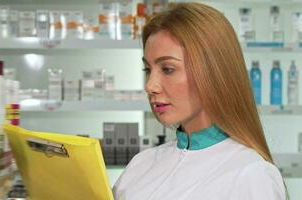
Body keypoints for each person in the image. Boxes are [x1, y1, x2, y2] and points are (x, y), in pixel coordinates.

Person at [113, 3, 286, 200]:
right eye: (148, 70)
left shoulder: (250, 175)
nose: (150, 86)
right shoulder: (140, 165)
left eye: (168, 69)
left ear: (212, 71)